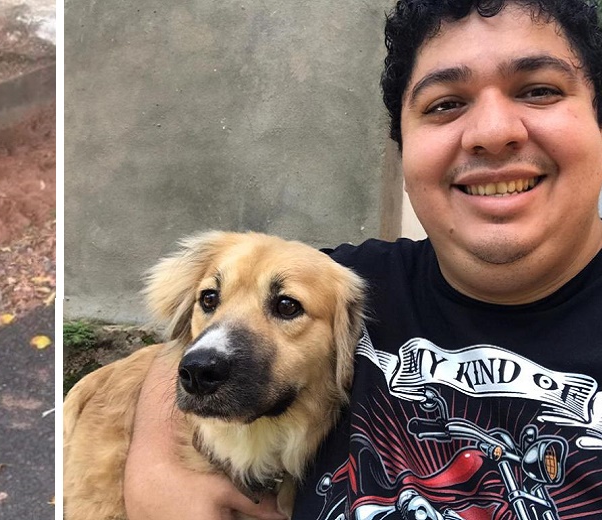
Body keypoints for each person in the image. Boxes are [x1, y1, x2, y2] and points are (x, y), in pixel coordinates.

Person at [122, 0, 602, 518]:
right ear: (404, 145)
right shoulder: (357, 281)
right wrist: (158, 465)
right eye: (444, 103)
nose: (490, 131)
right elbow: (198, 334)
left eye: (538, 90)